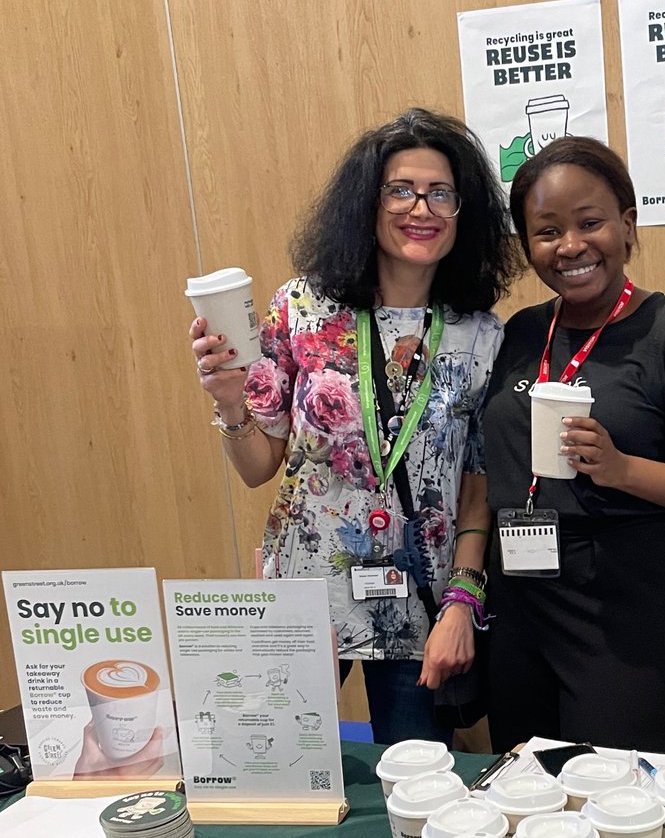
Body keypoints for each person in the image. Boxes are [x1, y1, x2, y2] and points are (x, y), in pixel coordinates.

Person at [190, 108, 520, 745]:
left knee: (415, 786)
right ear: (365, 204)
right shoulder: (302, 309)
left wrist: (463, 600)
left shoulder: (481, 335)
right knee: (277, 760)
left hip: (421, 594)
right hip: (307, 589)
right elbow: (261, 467)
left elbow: (476, 487)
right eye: (399, 189)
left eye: (440, 193)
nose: (419, 208)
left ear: (463, 212)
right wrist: (231, 400)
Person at [483, 137, 665, 755]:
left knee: (624, 811)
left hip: (640, 613)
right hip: (525, 607)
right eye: (547, 231)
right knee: (529, 798)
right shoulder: (522, 333)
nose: (571, 246)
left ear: (627, 226)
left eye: (591, 223)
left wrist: (622, 468)